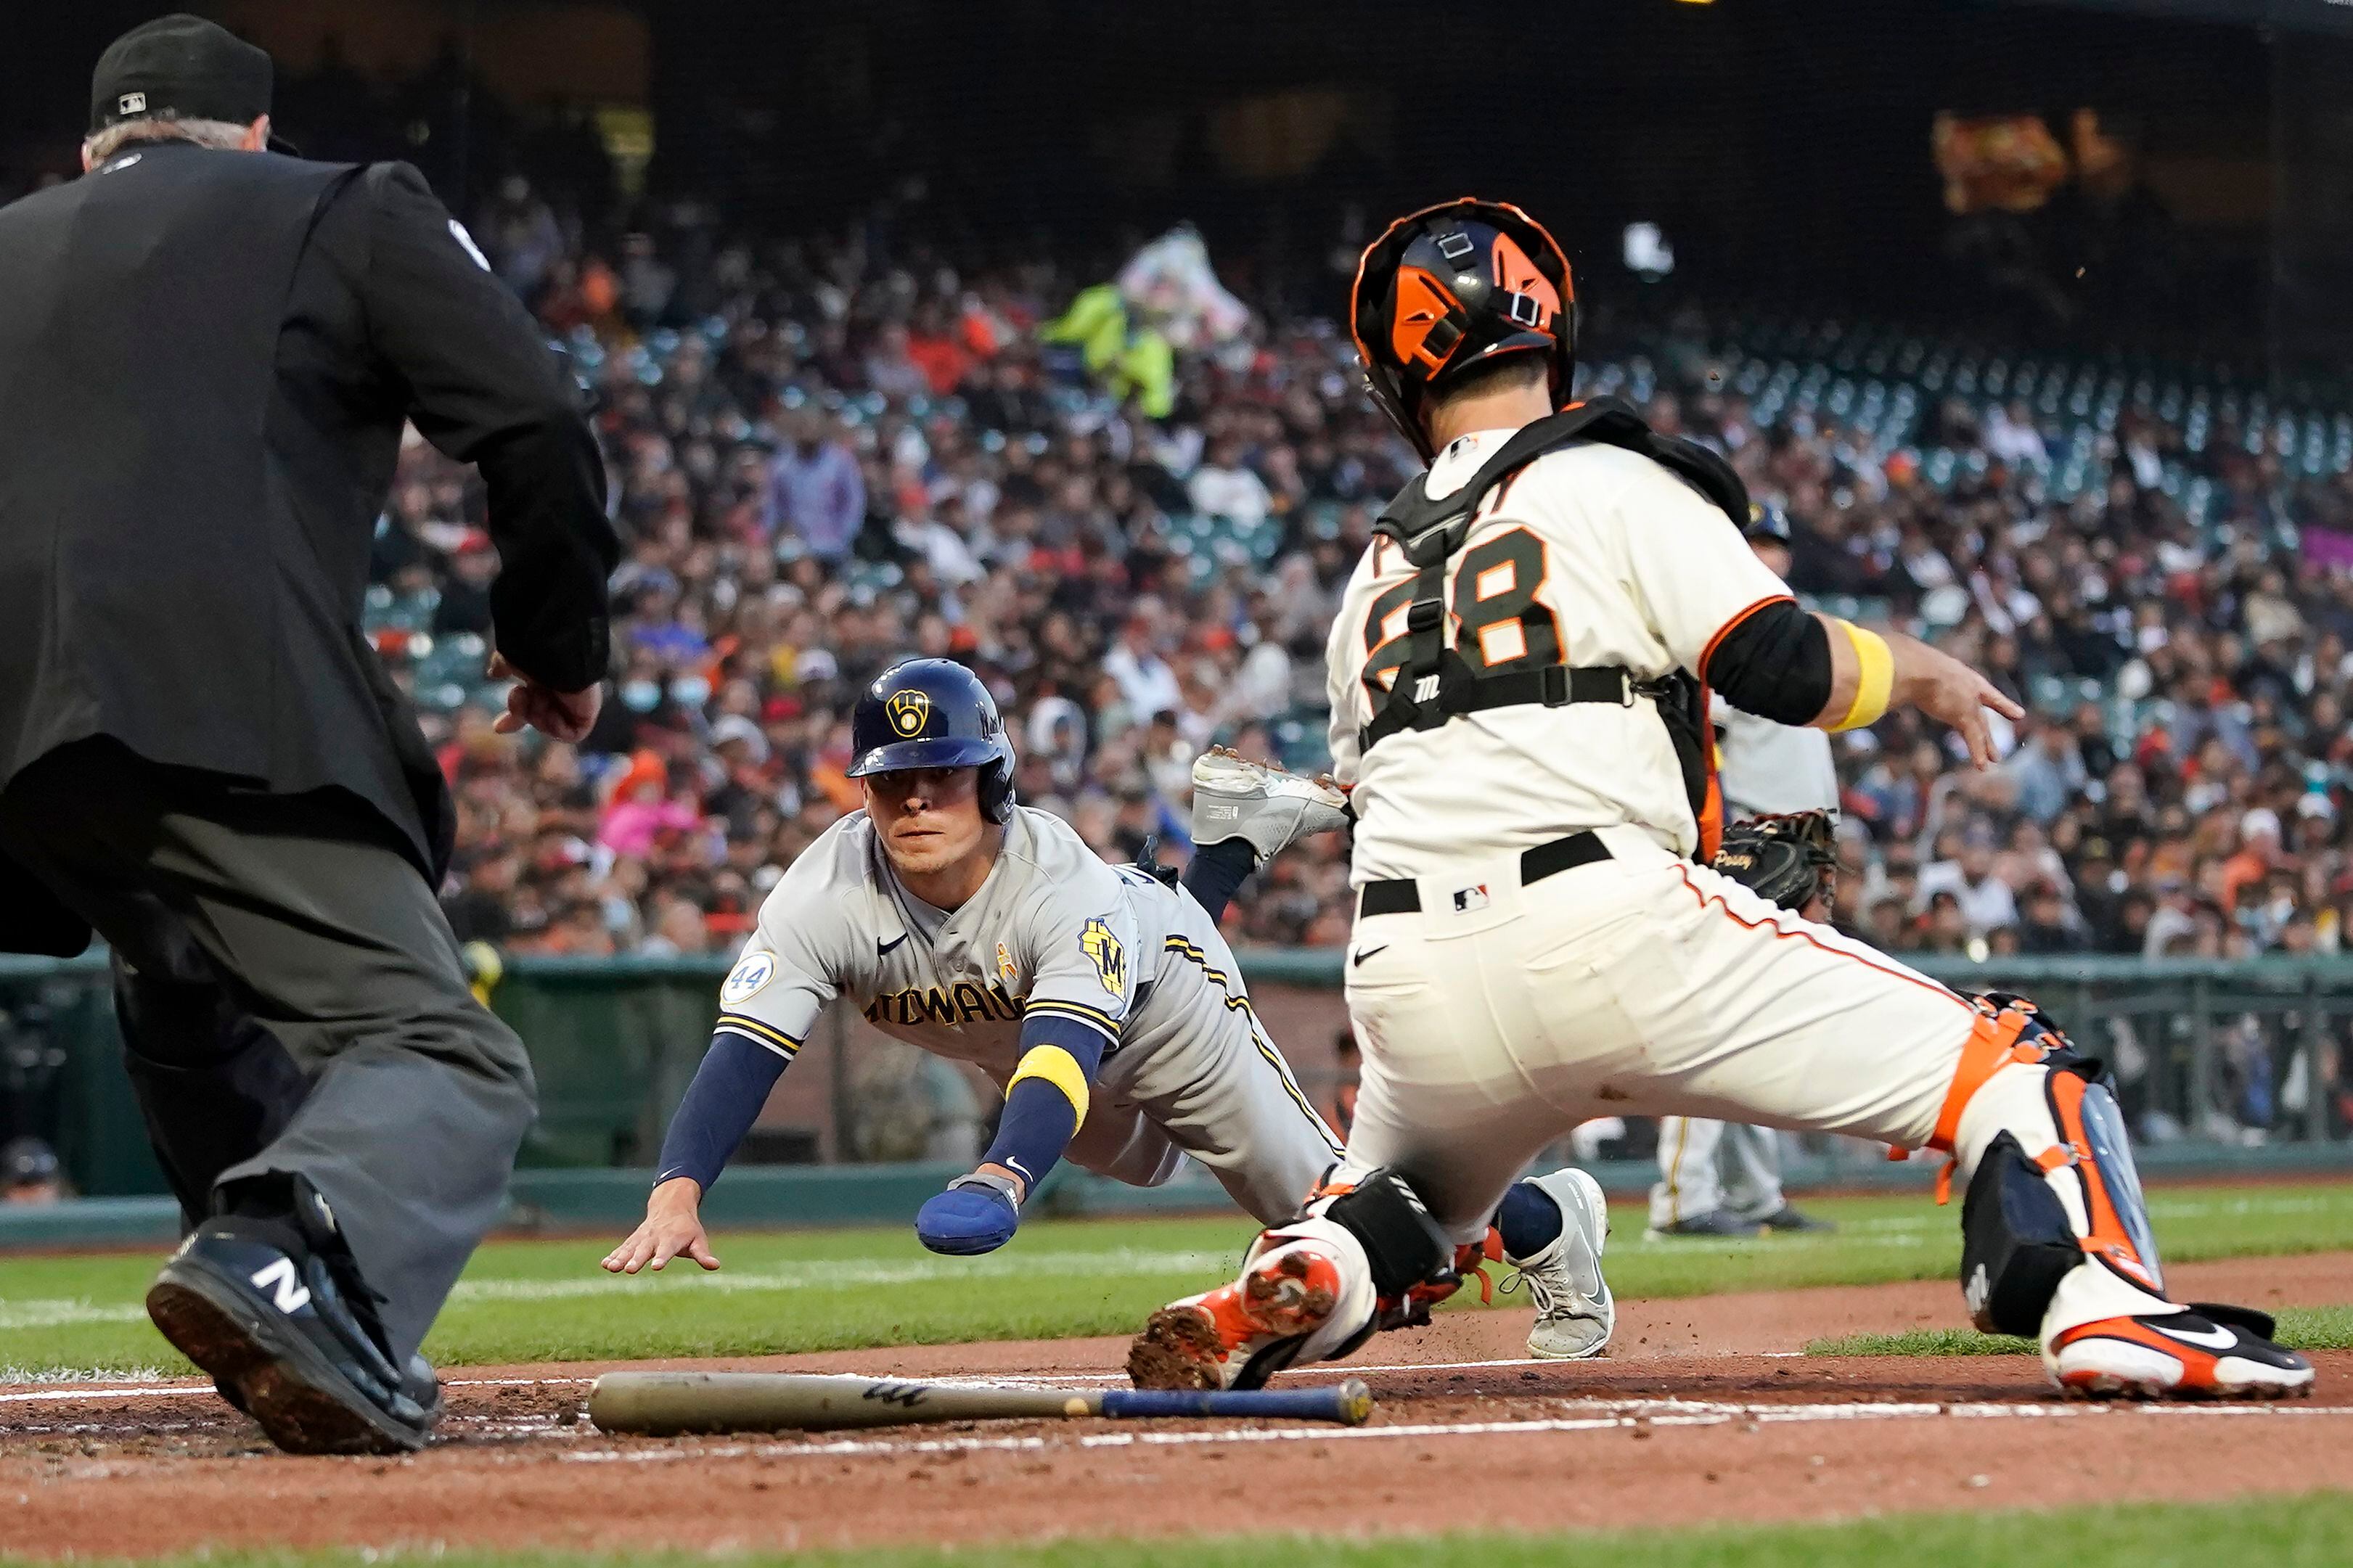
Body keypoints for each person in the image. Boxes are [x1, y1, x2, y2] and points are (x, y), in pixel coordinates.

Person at [1126, 197, 2310, 1400]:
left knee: (1409, 1210)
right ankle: (2106, 1305)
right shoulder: (1607, 479)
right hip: (1608, 925)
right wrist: (1924, 670)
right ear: (1548, 329)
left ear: (1397, 370)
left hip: (1409, 972)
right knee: (2019, 1070)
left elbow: (1360, 786)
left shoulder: (1369, 577)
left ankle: (1316, 1264)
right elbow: (1777, 664)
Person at [0, 17, 617, 1453]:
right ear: (255, 136)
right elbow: (529, 416)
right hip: (202, 693)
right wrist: (555, 642)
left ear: (95, 150)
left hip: (24, 732)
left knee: (182, 974)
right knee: (442, 1051)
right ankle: (284, 1255)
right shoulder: (343, 205)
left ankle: (281, 1310)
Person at [603, 662, 1614, 1363]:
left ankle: (1544, 1219)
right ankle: (1227, 845)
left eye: (940, 776)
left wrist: (1003, 1173)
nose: (914, 802)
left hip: (1160, 1010)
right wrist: (678, 1186)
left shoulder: (1053, 880)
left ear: (989, 780)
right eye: (890, 782)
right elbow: (744, 1048)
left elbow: (1059, 1052)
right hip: (1052, 1061)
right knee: (1144, 1157)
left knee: (1335, 1232)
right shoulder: (825, 891)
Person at [1648, 505, 1834, 1240]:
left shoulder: (1789, 633)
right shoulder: (1716, 633)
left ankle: (1755, 1192)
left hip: (1800, 847)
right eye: (1754, 541)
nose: (1767, 554)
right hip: (1747, 845)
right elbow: (1690, 726)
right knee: (1715, 1021)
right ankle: (1679, 1200)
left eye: (1776, 544)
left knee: (1766, 1027)